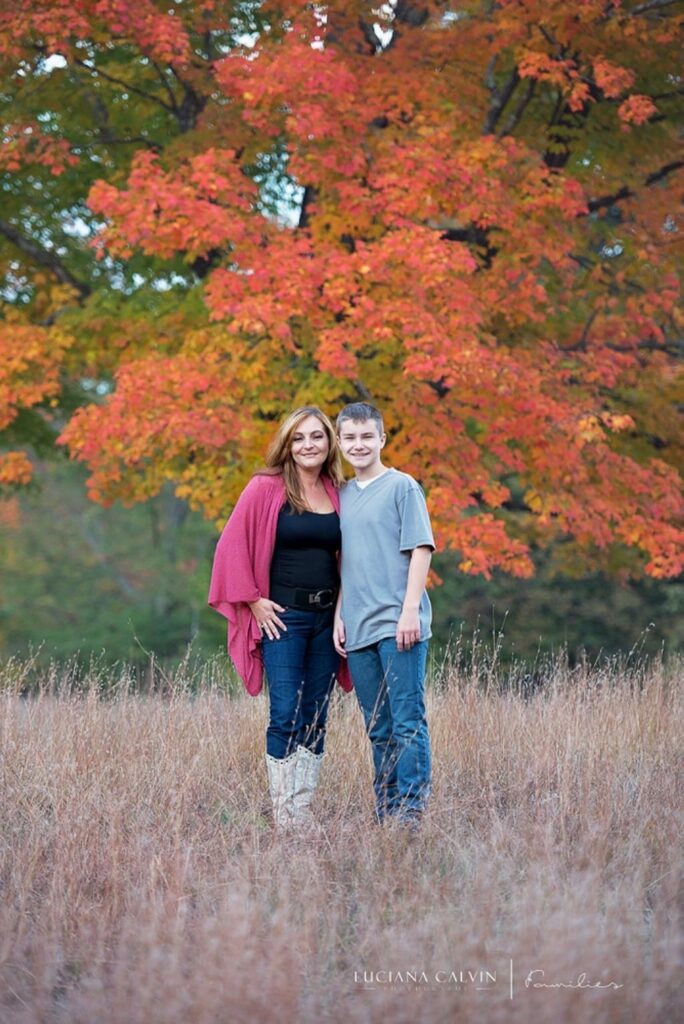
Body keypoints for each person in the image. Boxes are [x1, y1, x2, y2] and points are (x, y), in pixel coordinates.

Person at [208, 406, 352, 831]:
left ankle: (302, 812)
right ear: (287, 444)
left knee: (316, 712)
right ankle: (284, 814)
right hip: (282, 619)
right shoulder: (265, 488)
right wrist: (253, 601)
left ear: (330, 443)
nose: (309, 445)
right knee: (285, 712)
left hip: (329, 618)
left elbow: (351, 557)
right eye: (299, 438)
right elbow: (230, 548)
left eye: (317, 437)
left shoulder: (340, 491)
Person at [334, 402, 435, 825]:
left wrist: (409, 611)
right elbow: (344, 562)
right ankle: (386, 809)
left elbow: (421, 549)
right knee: (378, 726)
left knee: (407, 719)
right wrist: (340, 613)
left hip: (399, 625)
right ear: (340, 443)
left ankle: (411, 812)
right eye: (350, 438)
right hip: (357, 628)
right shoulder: (339, 496)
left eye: (366, 437)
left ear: (381, 439)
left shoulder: (402, 487)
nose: (359, 445)